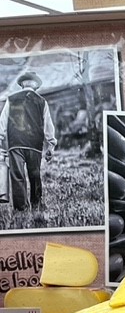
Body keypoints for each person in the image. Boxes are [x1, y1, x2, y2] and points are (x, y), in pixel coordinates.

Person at [0, 70, 56, 212]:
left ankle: (21, 209)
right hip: (34, 145)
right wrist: (51, 145)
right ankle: (36, 205)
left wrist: (0, 139)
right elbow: (48, 124)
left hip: (16, 143)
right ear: (36, 85)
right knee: (35, 175)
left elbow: (2, 121)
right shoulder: (42, 101)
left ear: (23, 84)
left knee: (17, 176)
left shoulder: (11, 99)